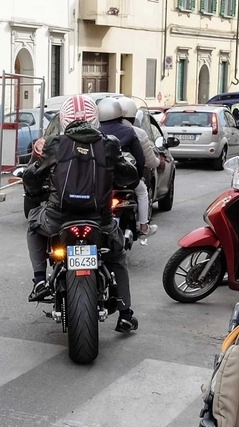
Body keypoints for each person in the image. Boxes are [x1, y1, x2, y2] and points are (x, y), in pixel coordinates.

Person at [23, 94, 138, 333]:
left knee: (34, 224)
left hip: (57, 220)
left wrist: (34, 191)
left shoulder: (54, 144)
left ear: (64, 120)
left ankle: (40, 280)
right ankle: (126, 314)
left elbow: (33, 177)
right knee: (117, 256)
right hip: (101, 222)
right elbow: (130, 176)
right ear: (95, 119)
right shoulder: (109, 144)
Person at [116, 97, 160, 238]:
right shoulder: (136, 132)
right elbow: (147, 160)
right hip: (127, 178)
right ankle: (143, 226)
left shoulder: (99, 129)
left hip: (103, 177)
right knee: (142, 193)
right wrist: (157, 162)